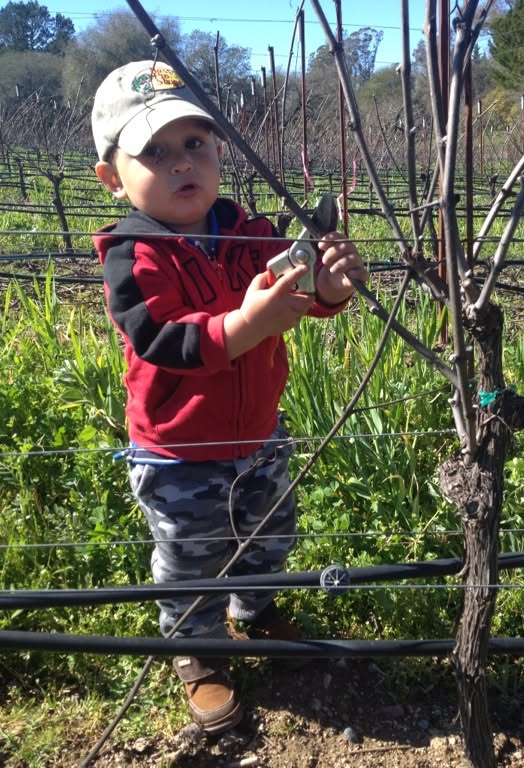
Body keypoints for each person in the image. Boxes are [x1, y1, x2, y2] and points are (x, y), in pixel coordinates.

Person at [91, 59, 368, 735]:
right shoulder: (133, 253)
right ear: (111, 177)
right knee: (192, 554)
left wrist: (328, 289)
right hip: (179, 452)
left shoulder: (249, 230)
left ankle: (256, 611)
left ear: (218, 150)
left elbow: (296, 293)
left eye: (194, 144)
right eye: (152, 151)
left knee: (269, 534)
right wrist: (246, 326)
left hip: (259, 433)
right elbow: (163, 340)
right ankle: (197, 648)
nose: (181, 163)